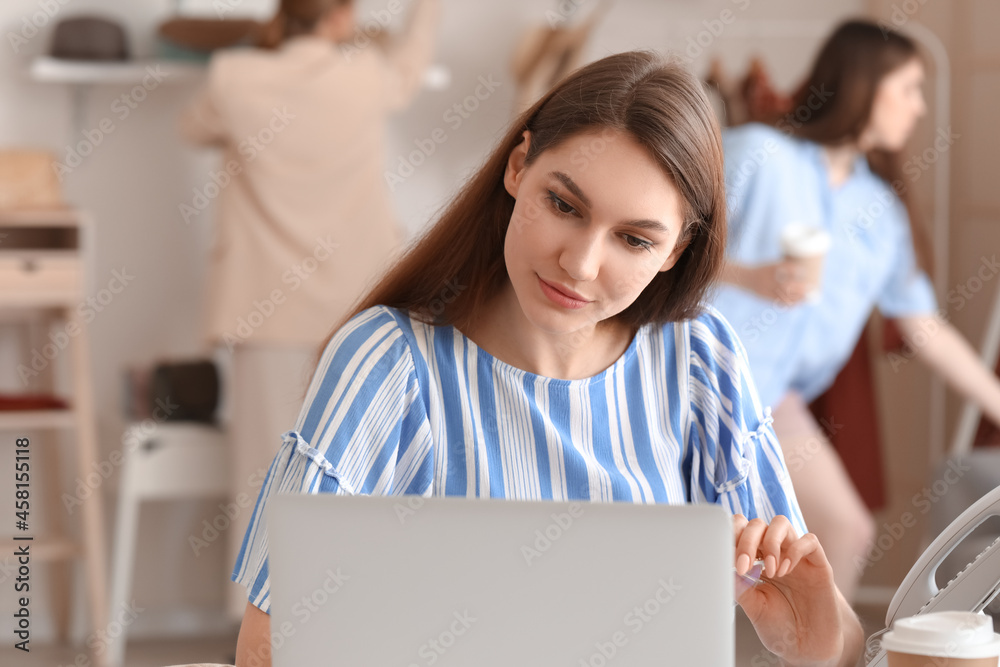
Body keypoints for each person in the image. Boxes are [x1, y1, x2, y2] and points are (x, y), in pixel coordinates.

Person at [230, 50, 864, 667]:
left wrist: (813, 643)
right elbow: (266, 646)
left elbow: (842, 645)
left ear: (676, 251)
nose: (580, 264)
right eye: (564, 205)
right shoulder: (388, 361)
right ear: (517, 168)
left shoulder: (700, 358)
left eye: (635, 239)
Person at [714, 20, 1000, 604]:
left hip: (770, 400)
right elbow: (661, 245)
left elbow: (923, 327)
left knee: (843, 529)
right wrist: (752, 277)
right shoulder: (757, 154)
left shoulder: (879, 209)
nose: (919, 108)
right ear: (866, 87)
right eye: (910, 89)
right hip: (695, 378)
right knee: (699, 543)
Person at [178, 0, 440, 621]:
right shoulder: (365, 74)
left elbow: (192, 127)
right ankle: (347, 622)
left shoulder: (233, 76)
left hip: (267, 314)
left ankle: (258, 634)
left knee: (263, 482)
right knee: (361, 474)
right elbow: (410, 62)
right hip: (360, 311)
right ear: (342, 17)